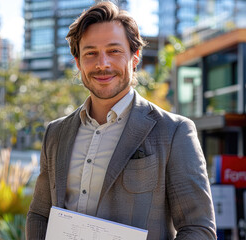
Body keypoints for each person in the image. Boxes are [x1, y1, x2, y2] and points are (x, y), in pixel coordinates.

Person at [26, 1, 216, 239]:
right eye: (91, 53)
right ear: (78, 62)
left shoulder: (174, 132)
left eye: (114, 51)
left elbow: (198, 228)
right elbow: (40, 215)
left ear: (135, 57)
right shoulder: (55, 133)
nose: (102, 63)